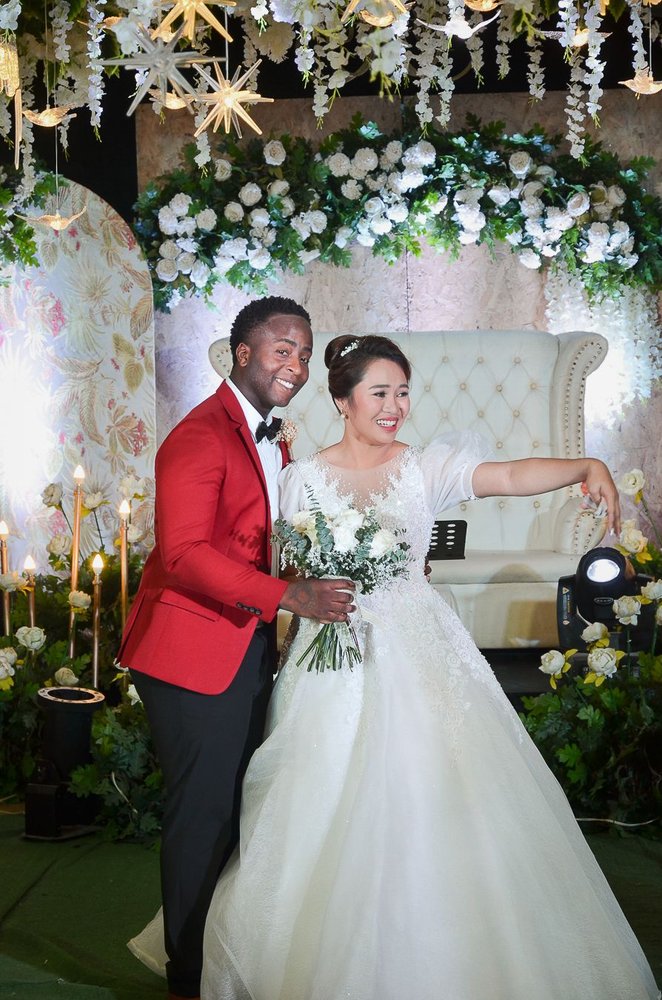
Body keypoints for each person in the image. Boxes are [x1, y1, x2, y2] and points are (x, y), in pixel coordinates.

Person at [194, 334, 660, 1000]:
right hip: (331, 659)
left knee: (434, 788)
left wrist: (585, 464)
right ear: (342, 400)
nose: (395, 406)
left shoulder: (426, 467)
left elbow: (510, 476)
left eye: (403, 392)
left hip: (420, 649)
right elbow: (288, 574)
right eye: (380, 393)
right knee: (315, 794)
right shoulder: (300, 479)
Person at [119, 298, 355, 1000]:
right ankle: (188, 979)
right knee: (204, 816)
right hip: (190, 653)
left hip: (245, 644)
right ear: (242, 353)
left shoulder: (271, 437)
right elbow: (185, 554)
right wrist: (289, 596)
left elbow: (260, 540)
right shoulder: (199, 435)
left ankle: (223, 962)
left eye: (304, 353)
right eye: (283, 349)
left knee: (239, 810)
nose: (297, 365)